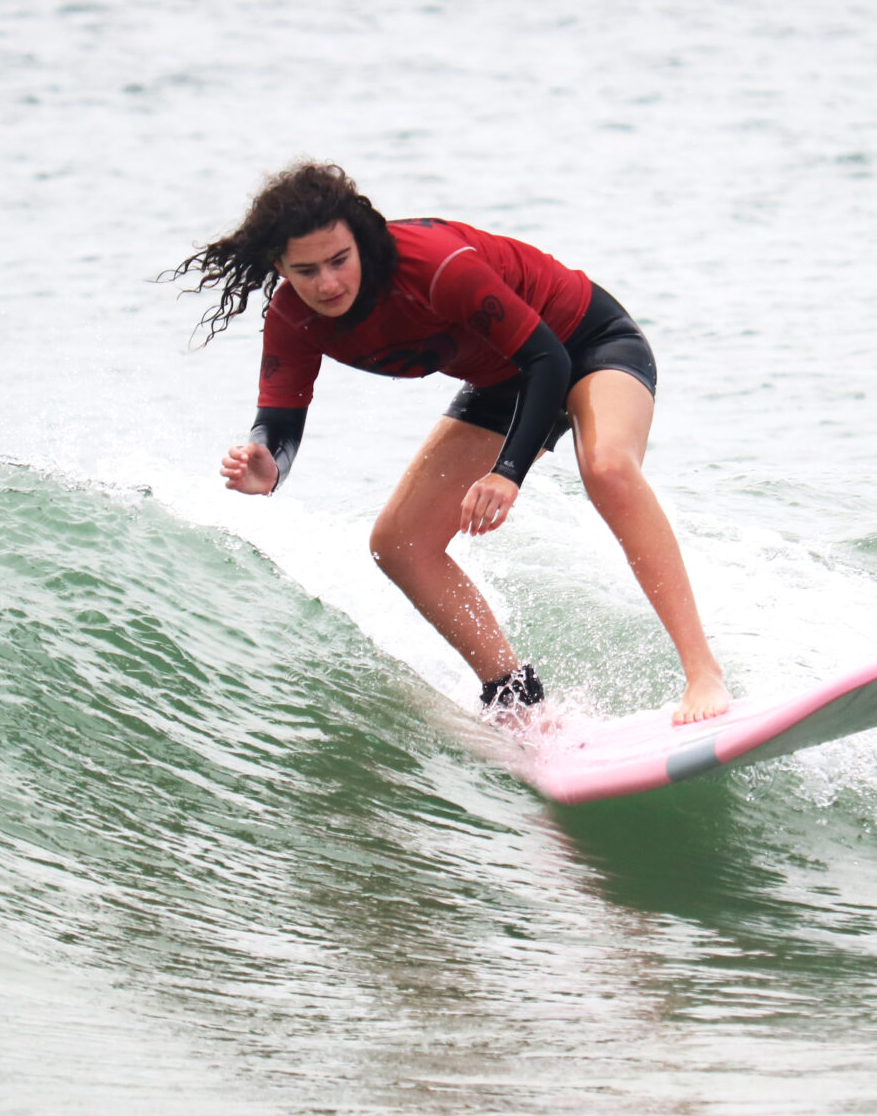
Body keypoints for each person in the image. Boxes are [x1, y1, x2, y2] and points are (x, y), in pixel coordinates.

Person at [173, 162, 731, 725]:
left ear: (360, 241)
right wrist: (268, 463)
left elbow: (548, 360)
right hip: (504, 378)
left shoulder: (434, 267)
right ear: (279, 266)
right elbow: (279, 419)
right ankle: (518, 701)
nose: (329, 284)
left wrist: (506, 473)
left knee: (607, 466)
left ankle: (702, 673)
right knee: (399, 544)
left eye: (339, 260)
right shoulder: (293, 318)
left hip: (585, 342)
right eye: (306, 270)